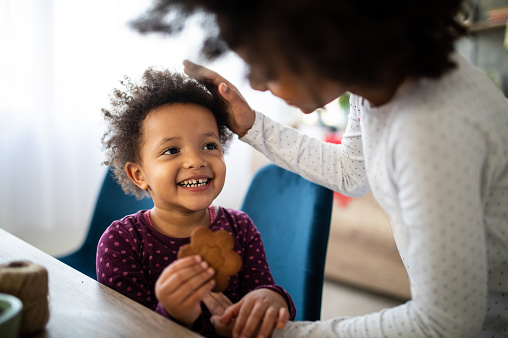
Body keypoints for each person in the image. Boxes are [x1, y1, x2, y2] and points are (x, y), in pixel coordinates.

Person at [129, 0, 508, 337]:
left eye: (265, 65)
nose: (257, 84)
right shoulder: (375, 86)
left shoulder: (431, 129)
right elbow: (353, 173)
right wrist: (250, 126)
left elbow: (444, 323)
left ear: (322, 38)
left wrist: (279, 333)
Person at [96, 68, 295, 338]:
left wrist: (273, 300)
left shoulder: (240, 228)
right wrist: (173, 315)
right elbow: (125, 332)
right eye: (171, 150)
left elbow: (262, 292)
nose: (196, 160)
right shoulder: (122, 242)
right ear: (140, 175)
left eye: (209, 146)